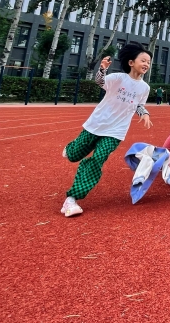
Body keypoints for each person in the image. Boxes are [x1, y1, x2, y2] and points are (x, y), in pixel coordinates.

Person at [60, 45, 153, 217]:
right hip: (97, 124)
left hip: (116, 131)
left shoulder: (144, 88)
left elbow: (139, 104)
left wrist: (145, 113)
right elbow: (100, 82)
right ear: (131, 62)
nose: (146, 64)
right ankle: (71, 149)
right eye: (143, 60)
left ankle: (72, 199)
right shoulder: (118, 78)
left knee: (98, 159)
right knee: (74, 154)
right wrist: (102, 69)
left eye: (148, 62)